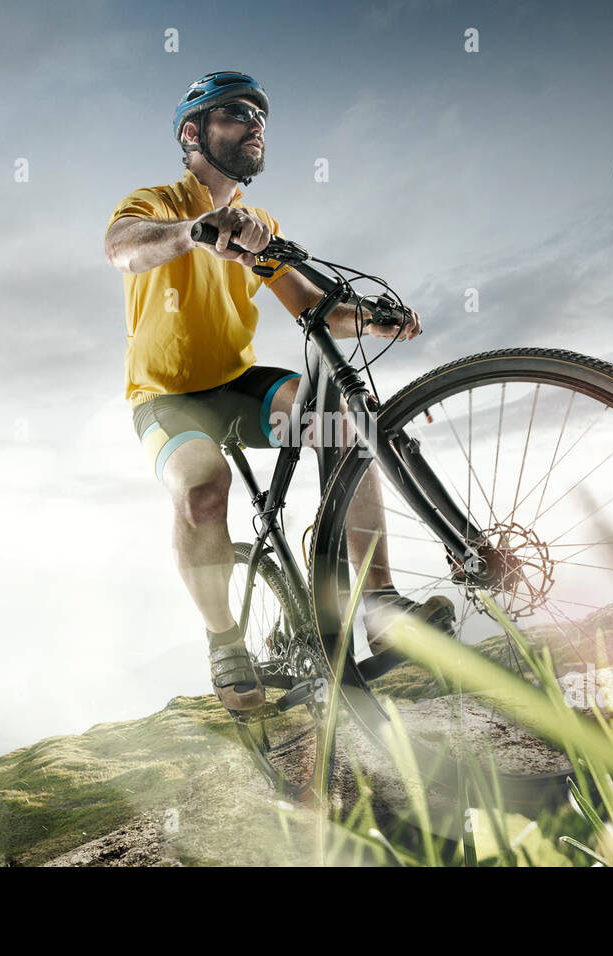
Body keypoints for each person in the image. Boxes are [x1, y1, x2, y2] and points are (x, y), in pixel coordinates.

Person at [105, 71, 453, 712]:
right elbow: (123, 250)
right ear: (193, 132)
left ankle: (376, 599)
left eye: (261, 115)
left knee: (343, 426)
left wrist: (376, 320)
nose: (255, 124)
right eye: (236, 113)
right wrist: (197, 231)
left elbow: (312, 306)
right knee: (204, 488)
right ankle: (224, 639)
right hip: (165, 396)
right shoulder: (156, 202)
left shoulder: (257, 225)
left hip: (239, 385)